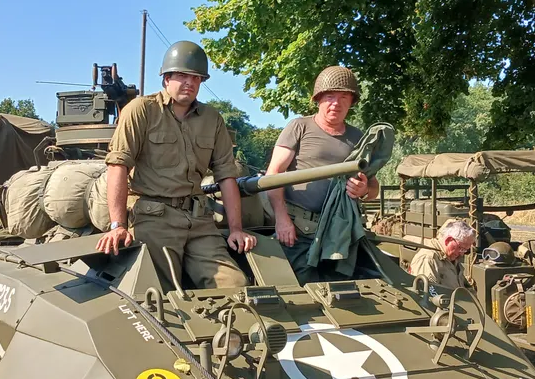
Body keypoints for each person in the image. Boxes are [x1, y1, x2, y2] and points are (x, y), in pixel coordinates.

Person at [96, 40, 256, 290]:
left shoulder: (212, 119)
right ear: (166, 77)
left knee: (235, 286)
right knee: (158, 293)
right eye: (182, 75)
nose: (190, 83)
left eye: (197, 78)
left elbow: (227, 176)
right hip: (154, 219)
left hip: (200, 221)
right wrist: (118, 226)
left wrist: (236, 229)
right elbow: (118, 165)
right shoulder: (141, 110)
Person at [262, 65, 378, 284]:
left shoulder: (358, 138)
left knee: (341, 291)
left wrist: (364, 189)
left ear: (352, 101)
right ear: (318, 99)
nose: (336, 103)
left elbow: (373, 188)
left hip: (340, 232)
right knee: (302, 290)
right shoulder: (299, 127)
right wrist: (282, 219)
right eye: (330, 96)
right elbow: (273, 175)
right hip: (298, 229)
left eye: (344, 97)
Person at [408, 219, 475, 290]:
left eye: (465, 250)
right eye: (461, 248)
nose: (462, 254)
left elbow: (465, 287)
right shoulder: (428, 259)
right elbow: (427, 294)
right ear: (448, 240)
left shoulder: (451, 258)